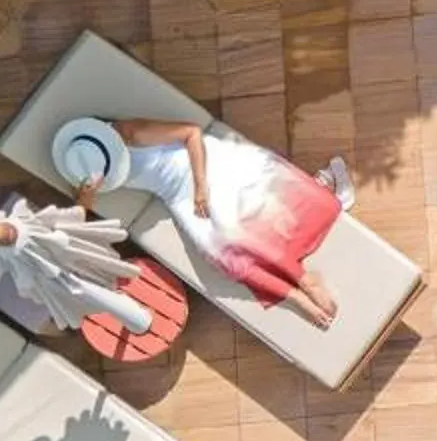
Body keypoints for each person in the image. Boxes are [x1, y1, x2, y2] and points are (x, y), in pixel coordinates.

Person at [52, 116, 354, 329]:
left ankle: (301, 278)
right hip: (173, 195)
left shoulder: (128, 131)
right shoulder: (88, 169)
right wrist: (85, 195)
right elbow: (80, 219)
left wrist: (200, 187)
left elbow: (191, 134)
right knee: (220, 254)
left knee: (233, 224)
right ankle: (296, 296)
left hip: (199, 167)